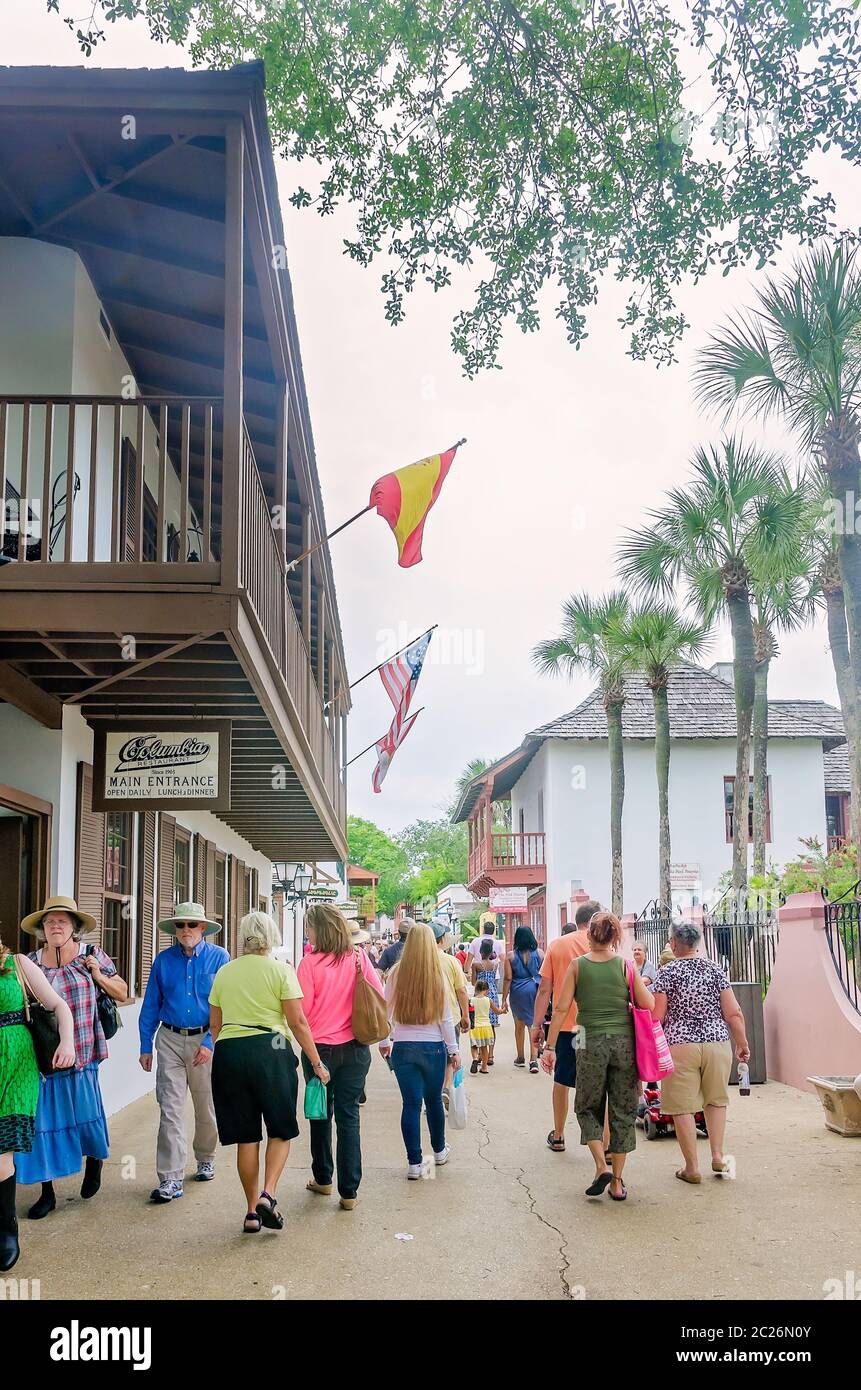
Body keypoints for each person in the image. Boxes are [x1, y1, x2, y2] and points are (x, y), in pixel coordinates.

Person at [209, 911, 330, 1234]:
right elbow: (297, 1022)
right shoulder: (281, 971)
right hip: (271, 1049)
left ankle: (251, 1212)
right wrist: (316, 1062)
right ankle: (268, 1194)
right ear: (272, 935)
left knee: (246, 1137)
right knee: (280, 1129)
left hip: (230, 1052)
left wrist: (231, 1051)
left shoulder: (224, 972)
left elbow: (216, 1025)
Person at [15, 896, 126, 1219]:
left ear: (74, 928)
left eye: (62, 922)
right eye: (50, 923)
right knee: (45, 1124)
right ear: (42, 929)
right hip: (45, 1058)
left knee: (85, 1114)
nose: (55, 927)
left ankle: (94, 1160)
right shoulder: (31, 963)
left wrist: (98, 976)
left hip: (83, 1051)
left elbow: (121, 992)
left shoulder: (91, 956)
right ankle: (46, 1192)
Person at [543, 911, 654, 1202]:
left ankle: (600, 1165)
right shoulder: (626, 966)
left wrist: (550, 1046)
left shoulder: (578, 966)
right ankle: (617, 1183)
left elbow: (561, 1009)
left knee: (587, 1106)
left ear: (589, 935)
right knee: (621, 1110)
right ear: (615, 937)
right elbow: (649, 1003)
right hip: (623, 1045)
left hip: (588, 1041)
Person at [139, 901, 230, 1204]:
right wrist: (144, 1045)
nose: (186, 930)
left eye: (192, 925)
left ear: (203, 928)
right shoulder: (163, 961)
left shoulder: (220, 959)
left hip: (205, 1038)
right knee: (171, 1109)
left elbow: (225, 1007)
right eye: (180, 925)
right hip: (170, 1040)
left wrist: (209, 1043)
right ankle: (171, 1178)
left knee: (206, 1108)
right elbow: (151, 1004)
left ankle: (206, 1157)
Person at [296, 904, 385, 1210]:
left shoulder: (308, 964)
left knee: (320, 1114)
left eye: (309, 927)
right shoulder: (359, 958)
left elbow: (302, 1016)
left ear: (319, 930)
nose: (307, 932)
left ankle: (323, 1178)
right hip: (356, 1049)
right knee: (349, 1118)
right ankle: (349, 1193)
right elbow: (378, 996)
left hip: (318, 1050)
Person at [650, 922, 750, 1184]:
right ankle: (717, 1155)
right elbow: (734, 1013)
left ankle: (692, 1167)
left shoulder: (667, 972)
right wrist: (742, 1043)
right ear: (697, 943)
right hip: (717, 1042)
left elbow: (657, 1016)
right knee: (716, 1099)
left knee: (682, 1105)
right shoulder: (716, 969)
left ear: (673, 943)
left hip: (680, 1044)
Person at [0, 935, 75, 1270]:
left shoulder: (16, 963)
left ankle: (6, 1230)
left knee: (2, 1153)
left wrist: (68, 1043)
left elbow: (58, 1005)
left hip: (16, 1066)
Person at [379, 924, 461, 1178]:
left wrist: (384, 1042)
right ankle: (438, 1151)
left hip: (403, 1047)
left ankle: (415, 1164)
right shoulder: (436, 973)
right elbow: (446, 1019)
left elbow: (386, 1011)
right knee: (434, 1100)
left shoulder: (395, 973)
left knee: (411, 1105)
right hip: (433, 1048)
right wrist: (454, 1049)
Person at [530, 900, 600, 1151]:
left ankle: (559, 1134)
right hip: (596, 1027)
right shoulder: (605, 945)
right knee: (596, 1082)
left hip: (566, 1027)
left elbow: (544, 990)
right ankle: (602, 1139)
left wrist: (536, 1025)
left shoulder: (557, 945)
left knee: (562, 1080)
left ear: (577, 919)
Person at [431, 919, 470, 1100]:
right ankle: (446, 1087)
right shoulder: (452, 961)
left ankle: (433, 1091)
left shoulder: (419, 960)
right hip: (451, 1015)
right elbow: (461, 990)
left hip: (426, 1018)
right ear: (442, 939)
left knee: (431, 1057)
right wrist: (465, 1014)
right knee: (449, 1053)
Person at [503, 926, 544, 1072]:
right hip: (535, 991)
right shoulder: (540, 954)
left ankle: (520, 1057)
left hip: (518, 991)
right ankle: (533, 1060)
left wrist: (503, 999)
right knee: (533, 1024)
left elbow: (508, 978)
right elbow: (545, 976)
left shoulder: (510, 956)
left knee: (518, 1025)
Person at [469, 938, 505, 1069]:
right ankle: (490, 1055)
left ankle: (479, 1054)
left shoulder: (476, 965)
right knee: (491, 1027)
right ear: (491, 951)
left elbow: (473, 982)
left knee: (478, 1024)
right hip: (492, 995)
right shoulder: (495, 964)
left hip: (479, 995)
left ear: (480, 951)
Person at [470, 979, 496, 1073]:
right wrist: (504, 1009)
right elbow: (497, 1011)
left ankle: (475, 1058)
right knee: (484, 1048)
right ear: (486, 990)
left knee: (474, 1046)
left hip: (475, 1027)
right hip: (486, 1027)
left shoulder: (471, 1000)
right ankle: (484, 1068)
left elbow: (469, 1014)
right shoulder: (488, 1000)